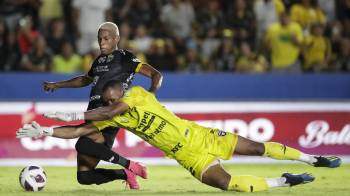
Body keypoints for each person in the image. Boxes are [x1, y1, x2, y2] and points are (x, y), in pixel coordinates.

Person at [18, 81, 341, 192]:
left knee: (256, 147)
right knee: (229, 185)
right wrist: (45, 130)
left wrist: (72, 113)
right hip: (188, 156)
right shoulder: (113, 113)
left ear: (122, 93)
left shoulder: (138, 97)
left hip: (201, 136)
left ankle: (314, 158)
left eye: (113, 98)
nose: (111, 103)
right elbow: (80, 132)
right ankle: (286, 181)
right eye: (107, 100)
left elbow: (105, 114)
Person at [42, 22, 163, 189]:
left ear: (116, 39)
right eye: (100, 39)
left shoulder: (125, 57)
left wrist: (152, 93)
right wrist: (57, 85)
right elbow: (85, 79)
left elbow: (156, 74)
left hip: (109, 114)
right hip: (92, 113)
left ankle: (130, 165)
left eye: (106, 39)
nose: (102, 43)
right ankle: (125, 173)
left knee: (81, 143)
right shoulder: (98, 60)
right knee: (84, 176)